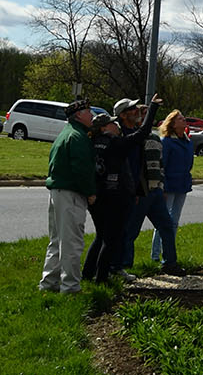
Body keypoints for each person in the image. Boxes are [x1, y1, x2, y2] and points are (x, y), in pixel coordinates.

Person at [112, 96, 180, 273]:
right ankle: (124, 266)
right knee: (131, 231)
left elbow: (159, 163)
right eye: (133, 110)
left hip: (154, 191)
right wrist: (153, 108)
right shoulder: (125, 136)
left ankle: (170, 263)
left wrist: (161, 184)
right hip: (139, 191)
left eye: (139, 111)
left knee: (166, 226)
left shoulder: (149, 138)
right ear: (123, 115)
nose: (137, 113)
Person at [39, 97, 96, 294]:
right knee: (72, 242)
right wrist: (90, 192)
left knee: (56, 240)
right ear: (79, 115)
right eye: (89, 112)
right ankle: (70, 286)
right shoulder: (78, 138)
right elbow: (82, 170)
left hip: (57, 192)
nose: (92, 116)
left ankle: (49, 282)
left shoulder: (66, 134)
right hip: (71, 193)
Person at [83, 114, 133, 282]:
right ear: (104, 128)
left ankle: (88, 273)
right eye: (113, 123)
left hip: (97, 195)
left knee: (100, 237)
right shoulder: (113, 143)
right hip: (113, 196)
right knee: (110, 240)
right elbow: (139, 136)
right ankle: (102, 278)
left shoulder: (93, 143)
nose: (116, 124)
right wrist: (153, 109)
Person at [154, 109, 194, 266]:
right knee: (163, 221)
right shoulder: (167, 142)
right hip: (169, 185)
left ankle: (168, 251)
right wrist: (162, 186)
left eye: (184, 118)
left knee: (175, 221)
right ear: (172, 123)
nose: (184, 121)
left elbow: (189, 163)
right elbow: (162, 164)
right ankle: (155, 254)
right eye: (180, 119)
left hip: (182, 185)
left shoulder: (188, 141)